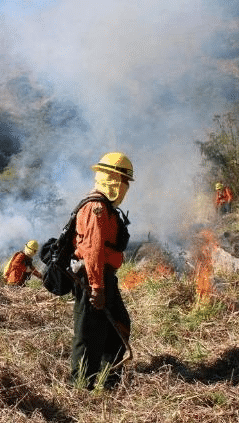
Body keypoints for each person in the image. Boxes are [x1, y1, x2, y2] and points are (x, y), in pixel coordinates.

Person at [70, 152, 133, 390]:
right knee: (88, 334)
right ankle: (81, 388)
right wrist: (97, 288)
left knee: (118, 325)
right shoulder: (96, 207)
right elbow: (93, 250)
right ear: (113, 179)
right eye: (123, 180)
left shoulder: (105, 206)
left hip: (102, 276)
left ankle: (110, 381)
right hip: (92, 276)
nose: (126, 187)